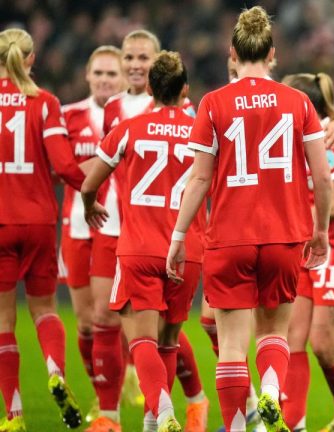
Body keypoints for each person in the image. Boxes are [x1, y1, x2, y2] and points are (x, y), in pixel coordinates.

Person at [167, 6, 332, 432]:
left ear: (232, 53)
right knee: (275, 332)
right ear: (272, 53)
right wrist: (321, 231)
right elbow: (323, 176)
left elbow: (200, 177)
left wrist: (179, 235)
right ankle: (273, 387)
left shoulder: (213, 103)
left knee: (232, 347)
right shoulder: (298, 103)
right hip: (284, 236)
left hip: (228, 237)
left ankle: (239, 426)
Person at [82, 50, 203, 432]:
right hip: (187, 250)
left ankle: (163, 409)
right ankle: (154, 422)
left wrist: (90, 206)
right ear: (186, 90)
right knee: (169, 340)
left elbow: (89, 183)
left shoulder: (129, 128)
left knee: (142, 342)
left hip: (139, 247)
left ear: (149, 88)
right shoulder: (202, 132)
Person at [0, 28, 85, 431]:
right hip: (37, 222)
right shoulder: (45, 103)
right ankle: (56, 372)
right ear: (31, 59)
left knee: (3, 322)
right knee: (45, 310)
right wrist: (93, 194)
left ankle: (14, 415)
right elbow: (66, 167)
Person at [280, 73, 334, 432]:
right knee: (293, 338)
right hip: (306, 248)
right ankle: (293, 421)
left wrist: (294, 211)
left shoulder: (331, 141)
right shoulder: (305, 136)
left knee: (323, 344)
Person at [59, 45, 125, 423]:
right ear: (87, 75)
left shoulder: (129, 116)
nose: (104, 80)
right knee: (85, 322)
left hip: (115, 225)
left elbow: (70, 167)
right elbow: (57, 167)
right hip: (76, 226)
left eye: (110, 74)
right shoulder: (68, 116)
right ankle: (104, 389)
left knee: (107, 317)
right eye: (98, 73)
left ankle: (108, 404)